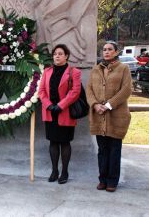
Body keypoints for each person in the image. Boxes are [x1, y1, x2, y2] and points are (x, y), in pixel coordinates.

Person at [86, 41, 132, 192]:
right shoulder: (95, 70)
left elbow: (126, 90)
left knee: (114, 150)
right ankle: (102, 179)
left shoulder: (123, 68)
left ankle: (112, 181)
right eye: (104, 49)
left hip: (116, 116)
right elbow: (89, 90)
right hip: (98, 116)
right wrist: (95, 104)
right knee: (102, 150)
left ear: (116, 52)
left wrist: (109, 105)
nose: (106, 52)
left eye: (110, 49)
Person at [38, 44, 81, 184]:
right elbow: (41, 91)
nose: (57, 56)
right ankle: (54, 170)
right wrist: (49, 105)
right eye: (55, 53)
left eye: (60, 53)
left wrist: (61, 105)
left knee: (65, 143)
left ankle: (64, 171)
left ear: (66, 56)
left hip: (65, 112)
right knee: (53, 142)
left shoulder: (74, 72)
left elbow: (75, 92)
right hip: (50, 113)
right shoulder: (47, 71)